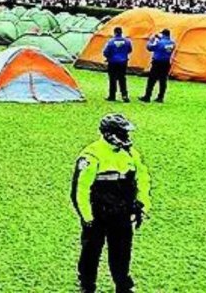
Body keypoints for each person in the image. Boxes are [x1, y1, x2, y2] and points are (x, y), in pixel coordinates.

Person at [71, 114, 152, 293]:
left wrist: (143, 204)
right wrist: (87, 217)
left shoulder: (131, 153)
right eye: (122, 133)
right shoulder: (91, 156)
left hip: (122, 213)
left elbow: (143, 179)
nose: (126, 138)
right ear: (109, 134)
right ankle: (87, 284)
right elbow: (80, 190)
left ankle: (123, 285)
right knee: (91, 251)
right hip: (97, 215)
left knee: (122, 252)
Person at [140, 29, 175, 103]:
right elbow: (164, 44)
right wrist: (159, 38)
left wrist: (151, 40)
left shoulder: (159, 42)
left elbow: (149, 47)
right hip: (166, 63)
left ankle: (147, 96)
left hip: (157, 63)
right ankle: (160, 97)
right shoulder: (172, 43)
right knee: (163, 81)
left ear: (163, 34)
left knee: (151, 80)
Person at [103, 27, 133, 102]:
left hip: (112, 62)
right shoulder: (127, 41)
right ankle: (124, 95)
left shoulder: (111, 41)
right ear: (121, 32)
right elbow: (129, 50)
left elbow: (106, 52)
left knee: (112, 79)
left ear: (115, 32)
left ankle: (112, 96)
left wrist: (109, 57)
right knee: (122, 78)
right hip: (123, 62)